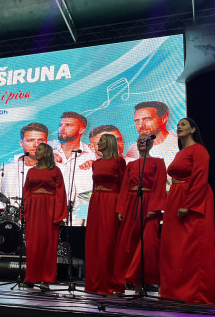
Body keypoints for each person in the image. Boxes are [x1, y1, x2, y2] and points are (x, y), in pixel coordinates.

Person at [160, 118, 215, 304]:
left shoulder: (198, 150)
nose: (179, 126)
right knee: (174, 248)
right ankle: (174, 291)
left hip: (190, 199)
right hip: (175, 199)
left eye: (184, 124)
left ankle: (195, 292)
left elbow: (200, 178)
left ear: (193, 129)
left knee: (191, 246)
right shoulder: (180, 153)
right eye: (178, 125)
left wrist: (189, 204)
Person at [113, 134, 167, 293]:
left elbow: (160, 185)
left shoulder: (158, 162)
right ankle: (121, 282)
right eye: (139, 141)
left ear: (151, 143)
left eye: (145, 140)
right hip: (132, 204)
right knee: (128, 244)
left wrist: (154, 207)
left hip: (149, 204)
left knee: (146, 245)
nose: (141, 143)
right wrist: (121, 208)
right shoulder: (131, 165)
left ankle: (141, 283)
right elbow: (124, 187)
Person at [84, 134, 126, 294]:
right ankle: (95, 283)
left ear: (108, 142)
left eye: (101, 140)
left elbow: (124, 186)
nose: (98, 143)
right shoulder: (96, 163)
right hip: (96, 203)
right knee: (94, 242)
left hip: (112, 203)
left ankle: (112, 284)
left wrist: (121, 208)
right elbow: (95, 186)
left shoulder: (119, 161)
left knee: (108, 243)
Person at [22, 143, 67, 289]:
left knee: (48, 245)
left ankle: (45, 280)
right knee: (33, 245)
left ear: (46, 152)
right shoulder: (30, 172)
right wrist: (26, 211)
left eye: (40, 149)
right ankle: (31, 277)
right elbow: (26, 193)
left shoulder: (55, 171)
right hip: (34, 209)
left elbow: (61, 193)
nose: (37, 151)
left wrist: (58, 214)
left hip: (49, 210)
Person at [0, 122, 48, 210]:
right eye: (30, 140)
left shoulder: (60, 169)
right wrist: (2, 209)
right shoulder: (7, 169)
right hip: (11, 221)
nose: (36, 145)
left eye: (40, 140)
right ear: (21, 143)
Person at [49, 112, 95, 204]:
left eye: (68, 125)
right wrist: (43, 157)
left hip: (79, 212)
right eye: (60, 125)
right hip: (48, 210)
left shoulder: (91, 155)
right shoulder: (46, 148)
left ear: (81, 130)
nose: (62, 128)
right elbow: (19, 161)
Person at [125, 101, 178, 167]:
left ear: (164, 119)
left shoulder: (178, 145)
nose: (141, 125)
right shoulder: (133, 149)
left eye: (147, 119)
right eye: (137, 121)